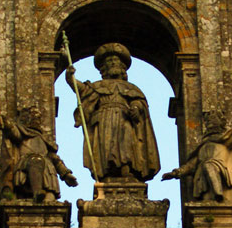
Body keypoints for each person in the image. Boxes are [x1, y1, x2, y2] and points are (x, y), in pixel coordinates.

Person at [65, 43, 160, 182]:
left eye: (115, 61)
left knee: (126, 141)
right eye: (109, 62)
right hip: (104, 118)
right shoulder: (97, 86)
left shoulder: (131, 87)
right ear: (104, 68)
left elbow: (139, 101)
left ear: (122, 67)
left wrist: (135, 108)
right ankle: (108, 172)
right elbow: (82, 90)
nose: (112, 63)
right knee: (106, 145)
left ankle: (126, 169)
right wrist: (70, 78)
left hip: (124, 117)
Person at [162, 109, 232, 202]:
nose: (209, 123)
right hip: (203, 179)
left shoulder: (225, 139)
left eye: (213, 120)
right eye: (207, 121)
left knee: (208, 165)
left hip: (220, 169)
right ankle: (216, 198)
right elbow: (190, 166)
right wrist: (175, 173)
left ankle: (219, 195)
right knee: (208, 199)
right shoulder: (202, 146)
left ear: (220, 122)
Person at [0, 107, 78, 201]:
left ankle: (47, 197)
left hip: (46, 166)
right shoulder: (22, 133)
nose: (36, 119)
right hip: (27, 163)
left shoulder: (43, 139)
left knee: (50, 196)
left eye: (38, 117)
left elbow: (55, 159)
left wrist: (66, 174)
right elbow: (11, 130)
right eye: (33, 116)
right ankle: (37, 191)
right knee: (35, 161)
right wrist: (2, 120)